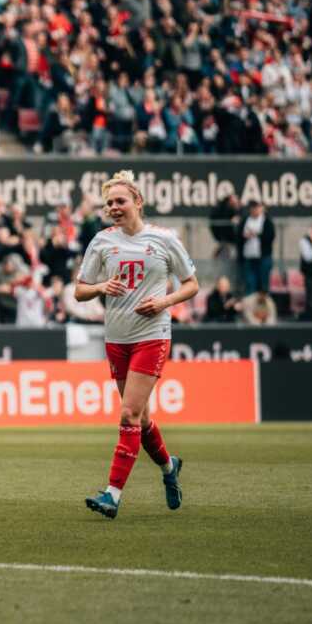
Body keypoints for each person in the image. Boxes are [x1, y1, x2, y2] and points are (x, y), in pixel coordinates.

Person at [74, 170, 198, 520]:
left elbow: (192, 284)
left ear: (138, 202)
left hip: (152, 335)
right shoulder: (101, 241)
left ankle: (112, 494)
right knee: (141, 419)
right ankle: (169, 467)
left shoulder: (164, 239)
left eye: (120, 201)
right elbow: (79, 291)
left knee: (128, 413)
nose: (114, 207)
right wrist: (101, 287)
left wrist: (164, 302)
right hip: (117, 339)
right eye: (109, 203)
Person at [239, 200, 275, 294]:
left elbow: (270, 237)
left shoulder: (266, 221)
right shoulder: (246, 221)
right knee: (250, 284)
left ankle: (263, 302)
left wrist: (257, 235)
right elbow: (238, 236)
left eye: (257, 208)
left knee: (263, 284)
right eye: (253, 208)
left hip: (263, 257)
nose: (255, 210)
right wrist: (245, 237)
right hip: (249, 257)